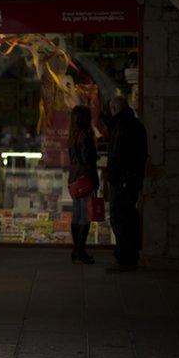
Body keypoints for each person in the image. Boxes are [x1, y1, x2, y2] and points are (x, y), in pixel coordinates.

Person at [106, 96, 148, 271]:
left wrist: (113, 177)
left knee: (119, 217)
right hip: (132, 179)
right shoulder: (137, 125)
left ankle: (125, 258)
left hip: (123, 180)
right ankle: (131, 255)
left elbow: (118, 155)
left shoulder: (122, 127)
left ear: (115, 108)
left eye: (111, 109)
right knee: (129, 216)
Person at [68, 105, 98, 265]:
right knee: (85, 217)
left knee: (77, 215)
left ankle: (76, 250)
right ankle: (80, 251)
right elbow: (88, 160)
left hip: (74, 180)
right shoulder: (85, 136)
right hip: (85, 179)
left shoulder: (72, 136)